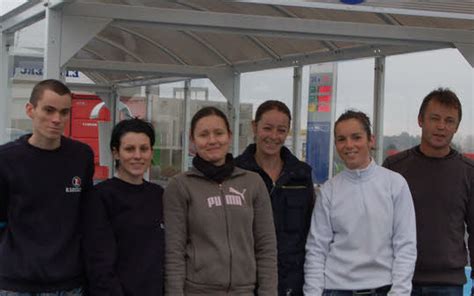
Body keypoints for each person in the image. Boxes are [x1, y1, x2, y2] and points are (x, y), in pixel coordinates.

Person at [164, 106, 277, 295]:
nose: (212, 141)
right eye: (203, 135)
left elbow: (266, 247)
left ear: (229, 136)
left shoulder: (253, 183)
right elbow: (174, 253)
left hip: (244, 291)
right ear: (193, 140)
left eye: (219, 133)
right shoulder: (180, 186)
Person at [304, 110, 417, 296]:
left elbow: (405, 245)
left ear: (370, 140)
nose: (349, 145)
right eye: (341, 139)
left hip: (384, 289)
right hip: (336, 289)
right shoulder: (329, 190)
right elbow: (316, 249)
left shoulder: (395, 184)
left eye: (356, 137)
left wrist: (400, 292)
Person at [0, 79, 94, 295]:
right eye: (49, 110)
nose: (56, 119)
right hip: (16, 283)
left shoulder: (81, 156)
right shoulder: (6, 159)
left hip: (68, 284)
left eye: (64, 112)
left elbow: (86, 216)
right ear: (30, 110)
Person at [383, 88, 474, 296]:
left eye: (449, 121)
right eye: (435, 118)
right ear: (420, 120)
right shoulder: (394, 167)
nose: (441, 127)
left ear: (456, 127)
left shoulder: (468, 172)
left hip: (448, 284)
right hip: (398, 280)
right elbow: (378, 226)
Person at [235, 100, 314, 296]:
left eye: (281, 130)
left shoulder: (301, 175)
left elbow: (309, 231)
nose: (273, 136)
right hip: (245, 281)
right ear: (255, 127)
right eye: (267, 128)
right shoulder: (235, 172)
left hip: (291, 282)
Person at [82, 118, 164, 296]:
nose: (137, 156)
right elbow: (98, 263)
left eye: (144, 149)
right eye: (129, 149)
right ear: (116, 153)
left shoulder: (159, 195)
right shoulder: (100, 197)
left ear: (151, 152)